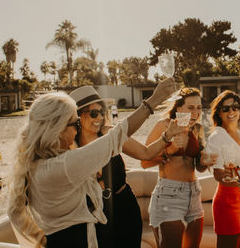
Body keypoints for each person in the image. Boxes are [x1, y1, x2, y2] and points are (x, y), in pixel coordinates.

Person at [0, 77, 176, 248]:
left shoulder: (37, 165)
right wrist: (155, 99)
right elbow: (118, 136)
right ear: (58, 129)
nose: (76, 129)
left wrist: (42, 240)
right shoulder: (62, 166)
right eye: (75, 123)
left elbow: (15, 212)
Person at [69, 86, 182, 248]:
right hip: (92, 212)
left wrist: (167, 136)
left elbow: (146, 153)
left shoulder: (109, 134)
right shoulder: (70, 145)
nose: (100, 117)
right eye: (94, 113)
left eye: (101, 112)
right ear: (78, 116)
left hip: (124, 208)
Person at [141, 87, 215, 248]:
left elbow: (198, 168)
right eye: (190, 108)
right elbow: (144, 162)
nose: (195, 113)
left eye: (199, 107)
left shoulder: (197, 129)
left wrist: (205, 161)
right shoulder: (164, 126)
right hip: (169, 195)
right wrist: (170, 150)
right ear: (178, 107)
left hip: (194, 195)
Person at [205, 90, 240, 248]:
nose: (231, 112)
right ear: (219, 113)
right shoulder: (216, 136)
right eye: (226, 108)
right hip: (227, 200)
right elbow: (218, 174)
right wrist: (226, 175)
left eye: (235, 107)